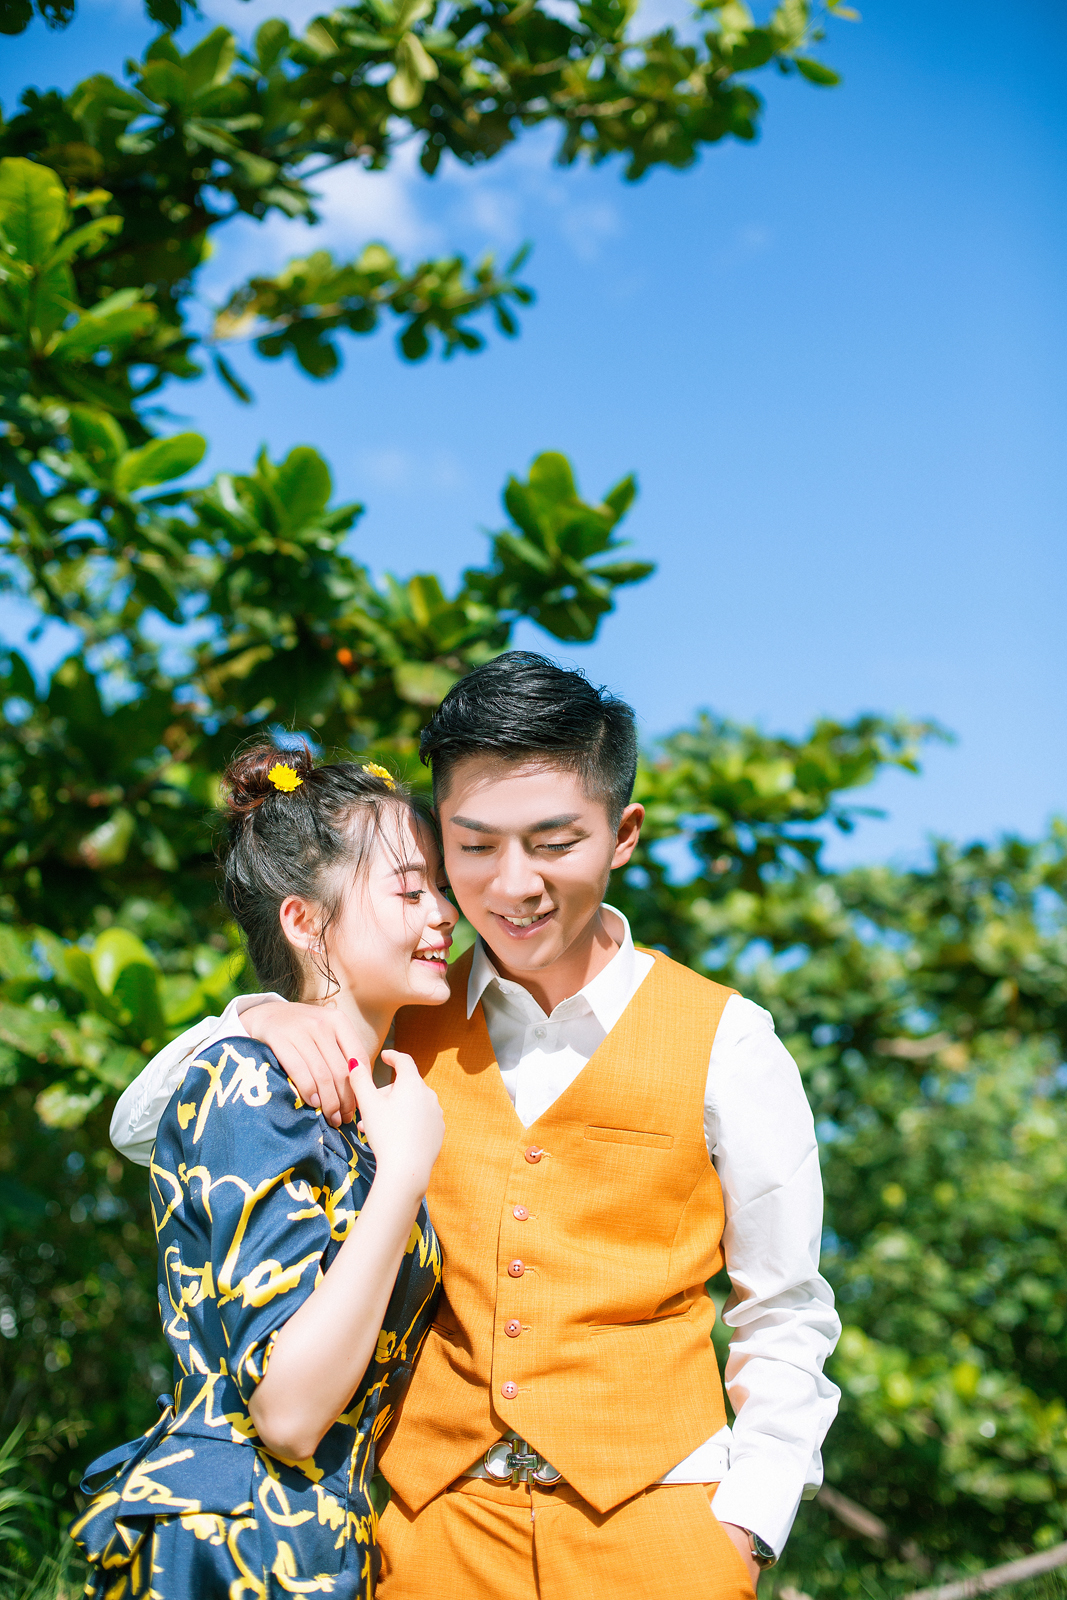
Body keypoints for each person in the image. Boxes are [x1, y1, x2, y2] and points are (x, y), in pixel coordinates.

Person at [111, 653, 841, 1600]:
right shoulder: (397, 1018)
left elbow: (783, 1306)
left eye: (553, 842)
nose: (513, 884)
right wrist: (253, 1015)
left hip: (662, 1530)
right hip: (428, 1535)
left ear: (621, 835)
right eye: (475, 847)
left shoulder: (727, 1040)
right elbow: (147, 1125)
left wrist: (746, 1527)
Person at [72, 749, 455, 1599]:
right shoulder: (250, 1080)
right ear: (304, 923)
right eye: (409, 891)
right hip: (229, 1544)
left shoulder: (359, 1108)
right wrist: (403, 1176)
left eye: (439, 888)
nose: (443, 913)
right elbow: (286, 1414)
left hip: (312, 1545)